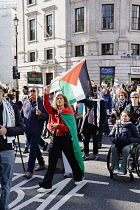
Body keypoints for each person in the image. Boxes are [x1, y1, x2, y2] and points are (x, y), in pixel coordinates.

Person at [37, 85, 84, 193]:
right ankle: (46, 185)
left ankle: (78, 177)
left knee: (71, 158)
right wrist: (46, 93)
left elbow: (71, 128)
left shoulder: (68, 112)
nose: (59, 100)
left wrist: (60, 126)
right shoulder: (53, 111)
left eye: (61, 98)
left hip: (65, 138)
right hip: (55, 138)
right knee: (52, 162)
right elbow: (46, 105)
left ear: (64, 101)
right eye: (57, 98)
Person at [0, 86, 24, 210]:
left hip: (6, 150)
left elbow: (21, 128)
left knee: (5, 183)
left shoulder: (12, 108)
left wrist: (7, 130)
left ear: (2, 93)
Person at [21, 87, 49, 179]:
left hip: (36, 130)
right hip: (27, 130)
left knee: (32, 149)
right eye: (30, 91)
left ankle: (29, 170)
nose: (32, 93)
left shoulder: (42, 104)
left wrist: (41, 114)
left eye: (34, 91)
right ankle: (41, 163)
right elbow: (21, 114)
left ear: (38, 92)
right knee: (35, 147)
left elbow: (47, 116)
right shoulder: (26, 102)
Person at [109, 110, 140, 175]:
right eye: (122, 116)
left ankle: (123, 169)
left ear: (129, 117)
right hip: (118, 143)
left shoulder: (132, 126)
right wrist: (114, 140)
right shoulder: (116, 125)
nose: (124, 118)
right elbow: (111, 135)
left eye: (126, 116)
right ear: (120, 117)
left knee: (125, 150)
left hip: (129, 144)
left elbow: (138, 138)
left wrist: (128, 139)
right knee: (113, 148)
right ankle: (115, 168)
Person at [80, 86, 106, 160]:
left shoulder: (101, 101)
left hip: (96, 124)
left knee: (96, 140)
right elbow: (80, 99)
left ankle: (95, 153)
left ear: (97, 92)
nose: (93, 92)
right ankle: (86, 153)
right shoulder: (87, 100)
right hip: (87, 123)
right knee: (86, 139)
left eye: (95, 91)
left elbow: (103, 113)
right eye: (92, 91)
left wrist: (101, 123)